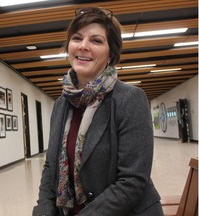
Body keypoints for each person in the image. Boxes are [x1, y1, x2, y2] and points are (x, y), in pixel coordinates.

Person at [33, 6, 163, 216]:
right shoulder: (61, 104)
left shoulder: (130, 99)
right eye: (77, 38)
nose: (83, 46)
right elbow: (51, 168)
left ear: (111, 54)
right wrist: (43, 211)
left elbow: (132, 181)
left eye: (96, 40)